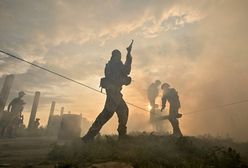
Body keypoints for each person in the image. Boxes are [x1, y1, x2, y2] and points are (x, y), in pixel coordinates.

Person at [82, 41, 133, 142]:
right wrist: (125, 80)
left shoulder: (116, 65)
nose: (118, 57)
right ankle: (89, 136)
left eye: (119, 56)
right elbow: (118, 75)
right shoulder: (112, 65)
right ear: (114, 56)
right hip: (113, 93)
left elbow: (125, 71)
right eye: (117, 55)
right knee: (106, 114)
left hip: (116, 94)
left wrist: (128, 53)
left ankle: (122, 136)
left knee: (123, 111)